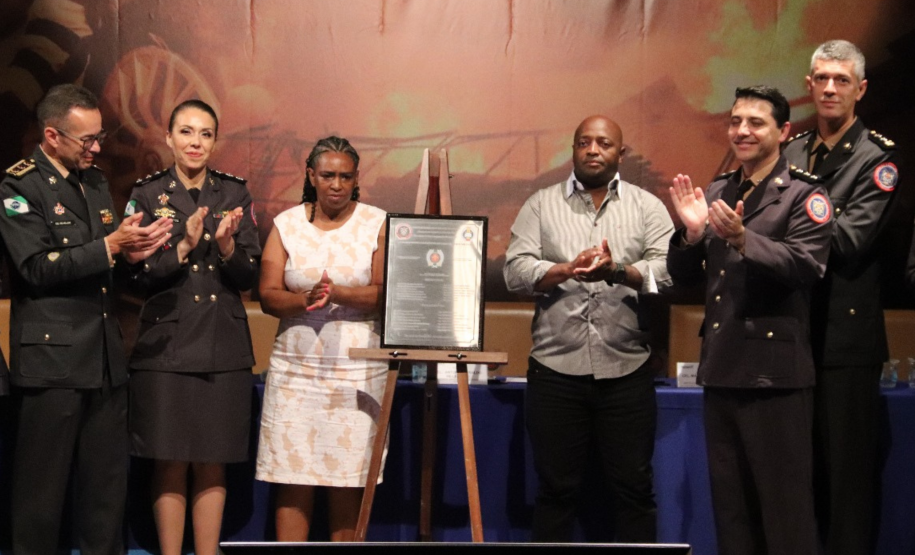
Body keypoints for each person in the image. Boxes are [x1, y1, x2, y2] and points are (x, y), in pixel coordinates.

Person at [0, 83, 172, 555]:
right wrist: (109, 247)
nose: (97, 148)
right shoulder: (18, 185)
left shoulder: (94, 181)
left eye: (100, 136)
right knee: (41, 497)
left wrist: (134, 251)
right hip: (53, 362)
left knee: (106, 493)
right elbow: (35, 268)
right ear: (52, 136)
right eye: (87, 140)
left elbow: (104, 263)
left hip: (104, 358)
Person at [667, 86, 834, 555]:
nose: (742, 130)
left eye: (755, 123)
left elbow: (807, 267)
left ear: (783, 132)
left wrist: (744, 240)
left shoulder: (804, 194)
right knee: (732, 514)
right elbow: (681, 277)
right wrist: (692, 233)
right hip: (722, 369)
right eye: (736, 120)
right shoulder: (719, 190)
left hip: (774, 376)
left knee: (785, 517)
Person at [503, 115, 673, 542]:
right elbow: (515, 272)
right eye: (584, 142)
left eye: (603, 143)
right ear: (574, 149)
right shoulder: (541, 204)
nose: (593, 150)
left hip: (627, 370)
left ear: (621, 152)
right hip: (556, 370)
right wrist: (564, 269)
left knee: (634, 491)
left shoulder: (647, 207)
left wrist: (617, 271)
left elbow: (669, 273)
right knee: (556, 492)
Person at [126, 99, 261, 555]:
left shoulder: (235, 193)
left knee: (212, 459)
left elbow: (249, 278)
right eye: (186, 132)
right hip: (166, 339)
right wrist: (182, 247)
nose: (195, 142)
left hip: (222, 340)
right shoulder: (146, 194)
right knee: (169, 459)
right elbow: (135, 277)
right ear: (168, 138)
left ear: (215, 141)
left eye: (205, 134)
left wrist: (225, 248)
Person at [781, 40, 899, 555]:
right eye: (822, 78)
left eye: (842, 80)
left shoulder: (879, 159)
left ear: (860, 89)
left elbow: (849, 242)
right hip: (789, 336)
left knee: (846, 483)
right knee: (795, 477)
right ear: (808, 85)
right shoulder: (789, 150)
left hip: (844, 344)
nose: (830, 88)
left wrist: (788, 223)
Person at [255, 136, 388, 542]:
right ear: (311, 175)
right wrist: (302, 299)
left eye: (345, 176)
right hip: (296, 370)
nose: (336, 184)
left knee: (347, 476)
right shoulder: (288, 224)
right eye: (327, 175)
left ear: (356, 179)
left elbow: (386, 291)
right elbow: (267, 294)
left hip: (356, 369)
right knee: (293, 475)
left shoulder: (377, 223)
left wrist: (340, 293)